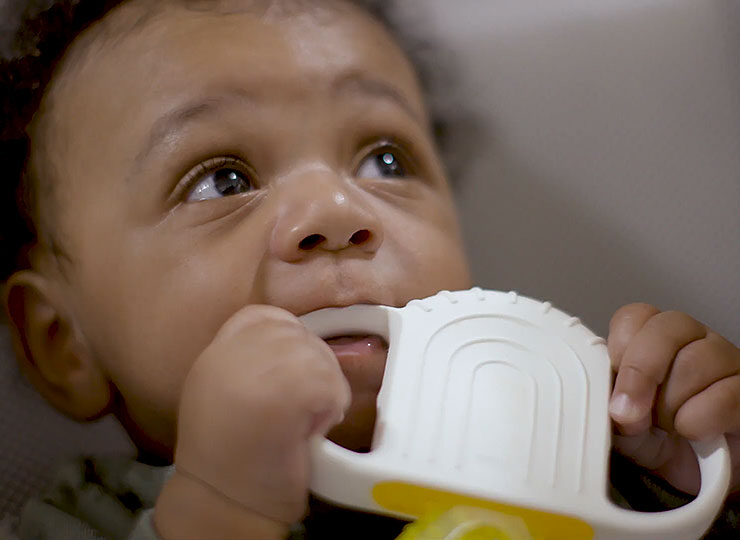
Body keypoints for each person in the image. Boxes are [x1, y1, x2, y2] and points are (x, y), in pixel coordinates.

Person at [1, 0, 739, 538]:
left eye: (385, 162)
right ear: (64, 344)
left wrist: (695, 486)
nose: (335, 209)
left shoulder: (576, 449)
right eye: (222, 180)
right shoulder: (75, 523)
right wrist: (220, 510)